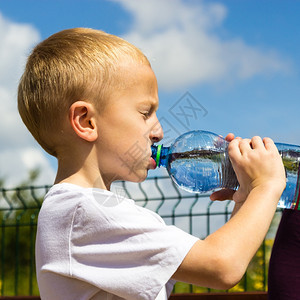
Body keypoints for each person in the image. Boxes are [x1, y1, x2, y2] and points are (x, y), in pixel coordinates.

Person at [17, 28, 286, 300]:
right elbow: (222, 266)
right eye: (145, 113)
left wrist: (247, 197)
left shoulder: (79, 213)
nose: (159, 132)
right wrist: (267, 186)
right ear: (86, 121)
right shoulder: (84, 213)